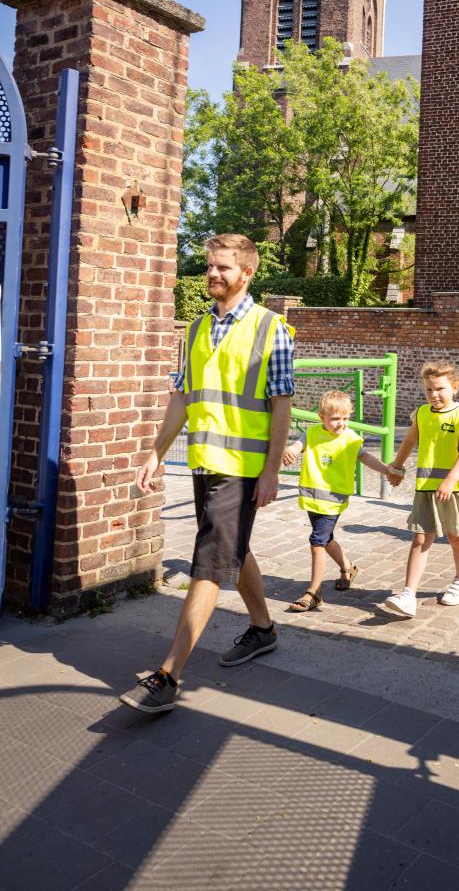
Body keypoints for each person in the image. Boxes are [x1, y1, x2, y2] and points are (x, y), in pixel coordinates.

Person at [120, 234, 294, 714]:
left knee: (209, 562)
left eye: (222, 267)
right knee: (229, 549)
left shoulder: (270, 328)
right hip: (205, 463)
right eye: (209, 267)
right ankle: (263, 629)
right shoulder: (196, 329)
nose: (213, 274)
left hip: (242, 469)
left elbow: (282, 404)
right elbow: (183, 395)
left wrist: (271, 470)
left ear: (247, 273)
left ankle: (168, 674)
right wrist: (157, 451)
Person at [381, 361, 459, 617]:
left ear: (455, 387)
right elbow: (409, 440)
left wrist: (450, 480)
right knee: (420, 537)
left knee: (456, 534)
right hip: (426, 487)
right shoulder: (421, 413)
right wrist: (396, 466)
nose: (434, 394)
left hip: (457, 488)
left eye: (440, 388)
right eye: (429, 389)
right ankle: (408, 593)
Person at [281, 390, 403, 611]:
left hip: (334, 499)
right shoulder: (311, 433)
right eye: (335, 419)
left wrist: (386, 470)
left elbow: (365, 457)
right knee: (326, 539)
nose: (341, 423)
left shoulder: (351, 438)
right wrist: (290, 450)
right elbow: (297, 446)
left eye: (345, 418)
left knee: (317, 541)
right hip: (312, 496)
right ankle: (347, 568)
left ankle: (314, 592)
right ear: (322, 418)